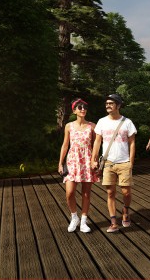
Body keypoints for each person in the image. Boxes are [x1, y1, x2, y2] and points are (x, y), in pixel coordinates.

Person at [91, 93, 137, 234]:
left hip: (124, 162)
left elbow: (132, 143)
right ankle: (113, 222)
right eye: (107, 104)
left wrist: (131, 162)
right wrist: (93, 159)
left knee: (126, 192)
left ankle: (125, 210)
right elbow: (97, 141)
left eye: (111, 103)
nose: (108, 106)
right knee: (110, 192)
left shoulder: (127, 122)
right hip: (108, 163)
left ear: (118, 105)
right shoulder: (102, 121)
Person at [59, 98, 99, 233]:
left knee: (86, 193)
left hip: (87, 161)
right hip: (72, 161)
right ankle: (74, 217)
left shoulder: (92, 126)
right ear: (74, 110)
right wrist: (60, 162)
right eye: (80, 107)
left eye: (85, 107)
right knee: (69, 193)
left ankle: (83, 221)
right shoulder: (69, 126)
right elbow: (65, 144)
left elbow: (96, 145)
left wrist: (95, 160)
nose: (83, 109)